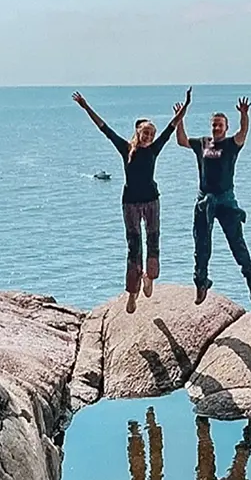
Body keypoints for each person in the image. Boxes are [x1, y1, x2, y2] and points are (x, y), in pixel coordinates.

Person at [73, 88, 191, 313]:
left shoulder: (155, 149)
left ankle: (150, 278)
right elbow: (104, 128)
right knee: (134, 247)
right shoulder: (126, 148)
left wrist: (185, 106)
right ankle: (132, 294)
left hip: (152, 201)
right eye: (145, 133)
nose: (149, 137)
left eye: (151, 134)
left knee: (153, 241)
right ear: (138, 133)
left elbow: (172, 126)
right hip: (130, 203)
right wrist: (86, 106)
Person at [175, 97, 251, 306]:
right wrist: (180, 120)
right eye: (214, 124)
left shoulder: (232, 144)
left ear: (226, 127)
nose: (216, 128)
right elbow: (181, 140)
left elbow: (243, 133)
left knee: (236, 242)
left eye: (220, 125)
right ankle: (201, 282)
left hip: (226, 200)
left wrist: (244, 115)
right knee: (201, 243)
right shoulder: (202, 143)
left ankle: (250, 278)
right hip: (204, 200)